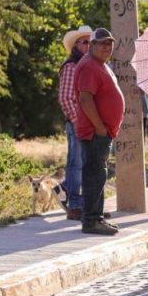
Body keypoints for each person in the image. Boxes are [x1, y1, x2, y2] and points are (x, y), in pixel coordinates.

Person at [74, 28, 125, 236]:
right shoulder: (89, 65)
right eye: (102, 43)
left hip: (100, 132)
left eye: (110, 43)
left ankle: (96, 218)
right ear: (92, 45)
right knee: (95, 175)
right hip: (95, 132)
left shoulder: (99, 64)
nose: (107, 47)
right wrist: (100, 127)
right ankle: (92, 221)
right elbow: (85, 99)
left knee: (98, 174)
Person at [58, 25, 92, 220]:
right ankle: (76, 206)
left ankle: (78, 200)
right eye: (85, 42)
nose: (89, 46)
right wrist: (78, 121)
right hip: (78, 122)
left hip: (89, 123)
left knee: (86, 164)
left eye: (91, 42)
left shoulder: (89, 66)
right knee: (77, 163)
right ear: (76, 45)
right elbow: (65, 98)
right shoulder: (71, 66)